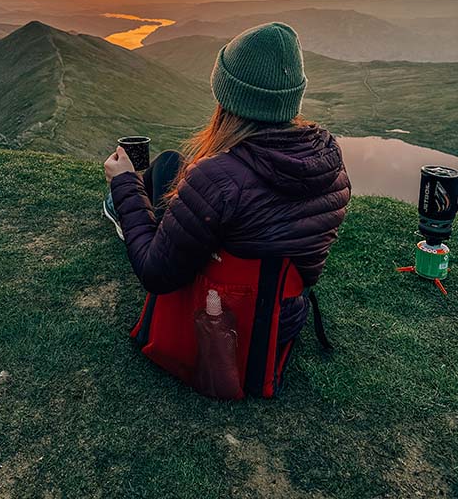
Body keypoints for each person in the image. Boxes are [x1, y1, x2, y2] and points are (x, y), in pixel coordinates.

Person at [103, 21, 351, 346]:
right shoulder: (329, 158)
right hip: (279, 320)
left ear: (229, 96)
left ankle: (120, 210)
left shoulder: (216, 178)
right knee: (169, 164)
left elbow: (156, 275)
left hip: (222, 325)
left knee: (157, 182)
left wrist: (124, 183)